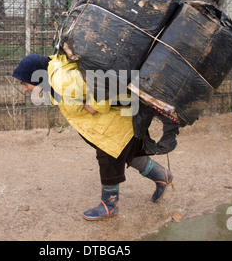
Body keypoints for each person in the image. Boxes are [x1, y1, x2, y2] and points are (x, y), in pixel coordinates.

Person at [12, 53, 173, 221]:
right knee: (130, 156)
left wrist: (95, 105)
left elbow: (105, 83)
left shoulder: (62, 81)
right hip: (113, 122)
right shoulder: (54, 80)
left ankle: (109, 205)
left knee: (109, 161)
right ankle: (163, 176)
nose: (24, 89)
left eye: (24, 83)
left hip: (113, 125)